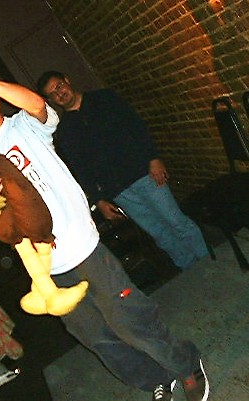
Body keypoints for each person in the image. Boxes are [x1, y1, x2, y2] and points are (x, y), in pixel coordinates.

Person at [0, 60, 209, 401]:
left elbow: (39, 106)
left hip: (82, 245)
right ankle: (155, 378)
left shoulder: (23, 125)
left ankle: (185, 364)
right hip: (46, 268)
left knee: (130, 320)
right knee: (96, 337)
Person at [36, 71, 209, 270]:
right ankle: (191, 268)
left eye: (59, 86)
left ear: (67, 80)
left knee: (176, 221)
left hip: (145, 174)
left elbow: (136, 126)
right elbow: (81, 168)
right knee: (159, 233)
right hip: (120, 191)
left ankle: (209, 259)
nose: (59, 94)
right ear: (51, 101)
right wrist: (99, 200)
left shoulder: (105, 99)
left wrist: (153, 158)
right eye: (53, 94)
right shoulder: (66, 130)